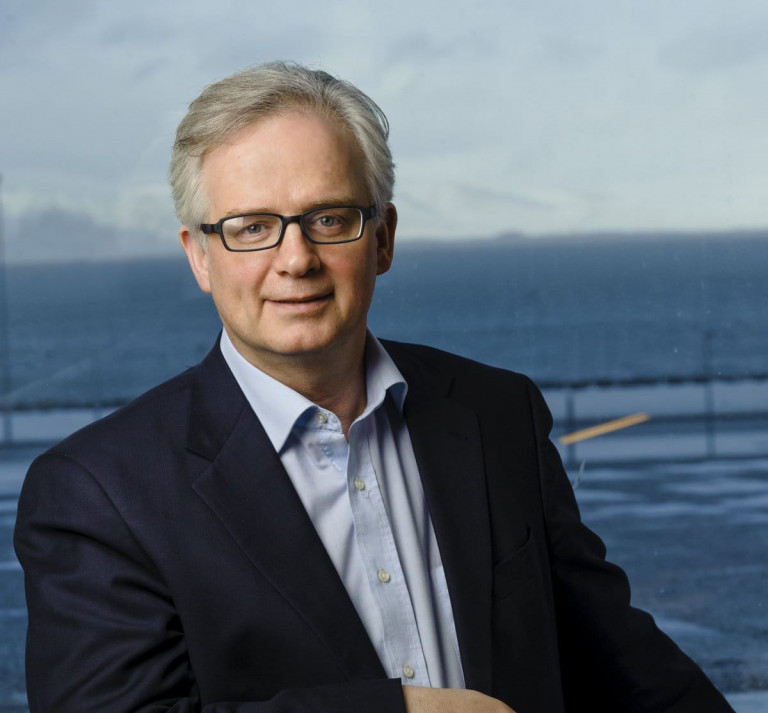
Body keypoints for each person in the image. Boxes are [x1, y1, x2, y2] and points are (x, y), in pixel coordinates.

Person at [14, 62, 734, 713]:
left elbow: (624, 666)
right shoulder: (99, 493)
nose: (295, 259)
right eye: (251, 227)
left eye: (329, 219)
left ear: (383, 237)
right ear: (199, 257)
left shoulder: (496, 414)